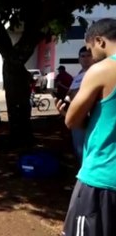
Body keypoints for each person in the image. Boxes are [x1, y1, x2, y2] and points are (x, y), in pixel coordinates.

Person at [56, 18, 116, 236]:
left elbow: (72, 120)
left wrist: (67, 112)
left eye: (90, 49)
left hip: (102, 179)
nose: (90, 55)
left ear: (99, 41)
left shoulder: (103, 69)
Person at [65, 46, 94, 163]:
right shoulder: (79, 74)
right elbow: (69, 94)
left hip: (89, 118)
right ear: (79, 59)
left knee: (87, 151)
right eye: (83, 56)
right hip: (77, 117)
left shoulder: (95, 73)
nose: (86, 59)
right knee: (79, 148)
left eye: (88, 56)